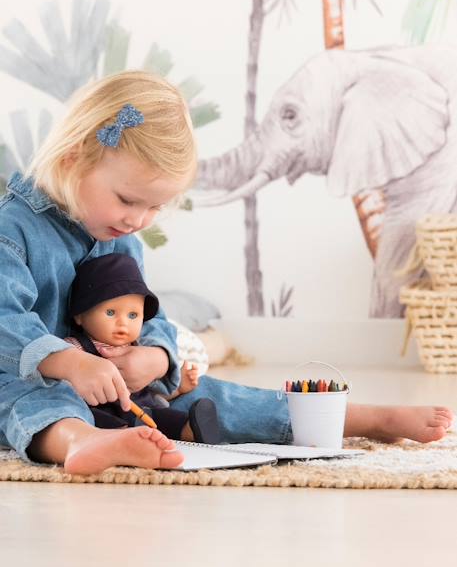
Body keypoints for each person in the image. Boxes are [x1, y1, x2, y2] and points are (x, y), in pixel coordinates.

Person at [0, 71, 453, 477]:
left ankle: (358, 419)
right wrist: (70, 363)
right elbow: (6, 320)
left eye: (155, 207)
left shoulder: (118, 233)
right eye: (127, 199)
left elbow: (147, 313)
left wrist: (155, 358)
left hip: (115, 388)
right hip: (27, 378)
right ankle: (82, 441)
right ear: (71, 161)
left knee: (215, 398)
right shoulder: (13, 230)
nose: (138, 219)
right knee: (36, 398)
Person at [64, 252, 219, 444]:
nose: (123, 323)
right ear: (80, 315)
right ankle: (121, 440)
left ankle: (191, 430)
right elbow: (62, 380)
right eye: (111, 312)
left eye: (133, 315)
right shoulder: (76, 348)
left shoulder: (138, 351)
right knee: (94, 420)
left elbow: (151, 389)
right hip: (100, 411)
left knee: (164, 416)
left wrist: (178, 388)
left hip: (142, 411)